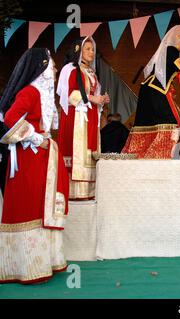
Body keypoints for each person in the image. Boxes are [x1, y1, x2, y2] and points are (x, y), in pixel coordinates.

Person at [0, 48, 70, 284]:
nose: (55, 69)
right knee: (31, 206)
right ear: (40, 67)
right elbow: (10, 118)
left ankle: (43, 262)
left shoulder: (42, 94)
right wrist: (33, 136)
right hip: (30, 160)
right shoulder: (30, 92)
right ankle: (27, 267)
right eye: (52, 65)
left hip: (43, 159)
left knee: (43, 206)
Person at [121, 25, 180, 159]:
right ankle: (159, 155)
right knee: (169, 120)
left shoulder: (169, 52)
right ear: (178, 39)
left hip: (152, 89)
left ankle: (145, 154)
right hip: (156, 89)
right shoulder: (172, 51)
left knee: (151, 121)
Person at [57, 36, 109, 200]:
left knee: (90, 151)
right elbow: (70, 94)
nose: (91, 52)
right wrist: (93, 99)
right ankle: (74, 192)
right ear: (78, 50)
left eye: (92, 49)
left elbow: (92, 95)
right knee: (80, 151)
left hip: (90, 117)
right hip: (77, 119)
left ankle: (88, 191)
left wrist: (101, 100)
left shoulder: (91, 72)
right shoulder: (72, 70)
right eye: (87, 49)